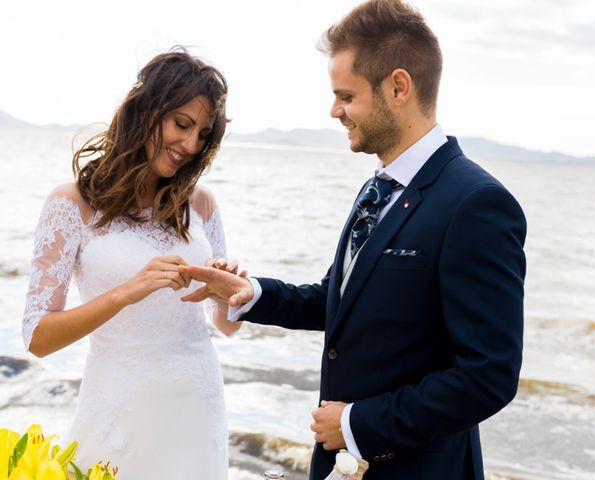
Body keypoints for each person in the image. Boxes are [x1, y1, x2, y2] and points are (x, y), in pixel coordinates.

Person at [182, 1, 527, 478]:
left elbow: (488, 376)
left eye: (345, 95)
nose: (334, 110)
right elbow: (339, 301)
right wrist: (251, 293)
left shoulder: (476, 204)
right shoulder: (377, 188)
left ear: (398, 87)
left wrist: (356, 423)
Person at [22, 49, 240, 478]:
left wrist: (227, 293)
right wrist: (124, 293)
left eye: (202, 133)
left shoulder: (201, 205)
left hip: (197, 406)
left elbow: (226, 325)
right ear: (146, 110)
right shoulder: (72, 204)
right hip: (118, 409)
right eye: (182, 124)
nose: (190, 145)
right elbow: (37, 337)